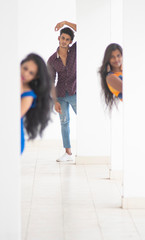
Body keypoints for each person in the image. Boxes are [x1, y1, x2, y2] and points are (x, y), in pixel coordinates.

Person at [47, 21, 77, 162]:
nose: (64, 41)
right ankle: (68, 153)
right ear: (59, 38)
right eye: (62, 38)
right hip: (60, 95)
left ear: (70, 42)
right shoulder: (52, 60)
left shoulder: (75, 51)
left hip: (75, 92)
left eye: (67, 39)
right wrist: (55, 101)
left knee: (85, 119)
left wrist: (65, 22)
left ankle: (88, 149)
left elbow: (84, 30)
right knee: (64, 123)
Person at [21, 53, 53, 154]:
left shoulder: (28, 95)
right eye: (25, 68)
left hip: (13, 138)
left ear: (35, 77)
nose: (25, 74)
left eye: (31, 73)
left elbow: (13, 117)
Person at [99, 43, 123, 110]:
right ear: (108, 59)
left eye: (118, 56)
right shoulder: (111, 77)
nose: (116, 59)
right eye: (112, 57)